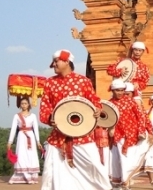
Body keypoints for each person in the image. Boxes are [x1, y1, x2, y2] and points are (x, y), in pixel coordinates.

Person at [39, 50, 111, 190]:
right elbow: (45, 108)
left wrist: (97, 109)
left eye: (56, 61)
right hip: (58, 137)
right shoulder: (50, 83)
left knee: (94, 166)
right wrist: (50, 119)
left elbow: (95, 101)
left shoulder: (83, 81)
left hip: (82, 134)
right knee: (51, 171)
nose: (54, 64)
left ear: (66, 62)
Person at [108, 80, 152, 190]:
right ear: (112, 90)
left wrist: (141, 131)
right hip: (117, 136)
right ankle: (122, 182)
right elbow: (106, 119)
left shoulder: (130, 102)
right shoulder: (109, 104)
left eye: (122, 90)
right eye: (118, 90)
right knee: (118, 160)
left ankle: (125, 182)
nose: (120, 93)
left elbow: (141, 116)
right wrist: (110, 128)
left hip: (132, 136)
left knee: (129, 159)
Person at [6, 97, 42, 184]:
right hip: (21, 137)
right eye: (22, 103)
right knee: (21, 155)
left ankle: (32, 176)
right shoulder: (16, 116)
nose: (24, 105)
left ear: (28, 104)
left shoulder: (33, 116)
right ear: (20, 105)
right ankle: (23, 176)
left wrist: (38, 141)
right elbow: (13, 129)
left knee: (31, 154)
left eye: (25, 103)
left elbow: (36, 129)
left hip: (31, 136)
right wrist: (10, 141)